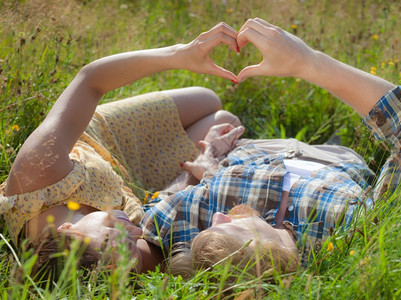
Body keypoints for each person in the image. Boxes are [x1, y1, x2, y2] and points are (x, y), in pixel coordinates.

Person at [138, 18, 401, 279]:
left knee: (217, 115)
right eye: (219, 234)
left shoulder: (195, 216)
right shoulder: (355, 233)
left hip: (250, 151)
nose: (217, 218)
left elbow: (142, 220)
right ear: (263, 261)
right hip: (333, 158)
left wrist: (202, 170)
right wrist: (307, 62)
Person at [0, 22, 243, 279]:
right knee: (226, 122)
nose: (136, 234)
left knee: (208, 99)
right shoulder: (117, 261)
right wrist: (198, 169)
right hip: (135, 181)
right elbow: (159, 215)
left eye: (115, 229)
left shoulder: (37, 174)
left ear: (69, 231)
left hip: (102, 137)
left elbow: (90, 81)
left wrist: (180, 54)